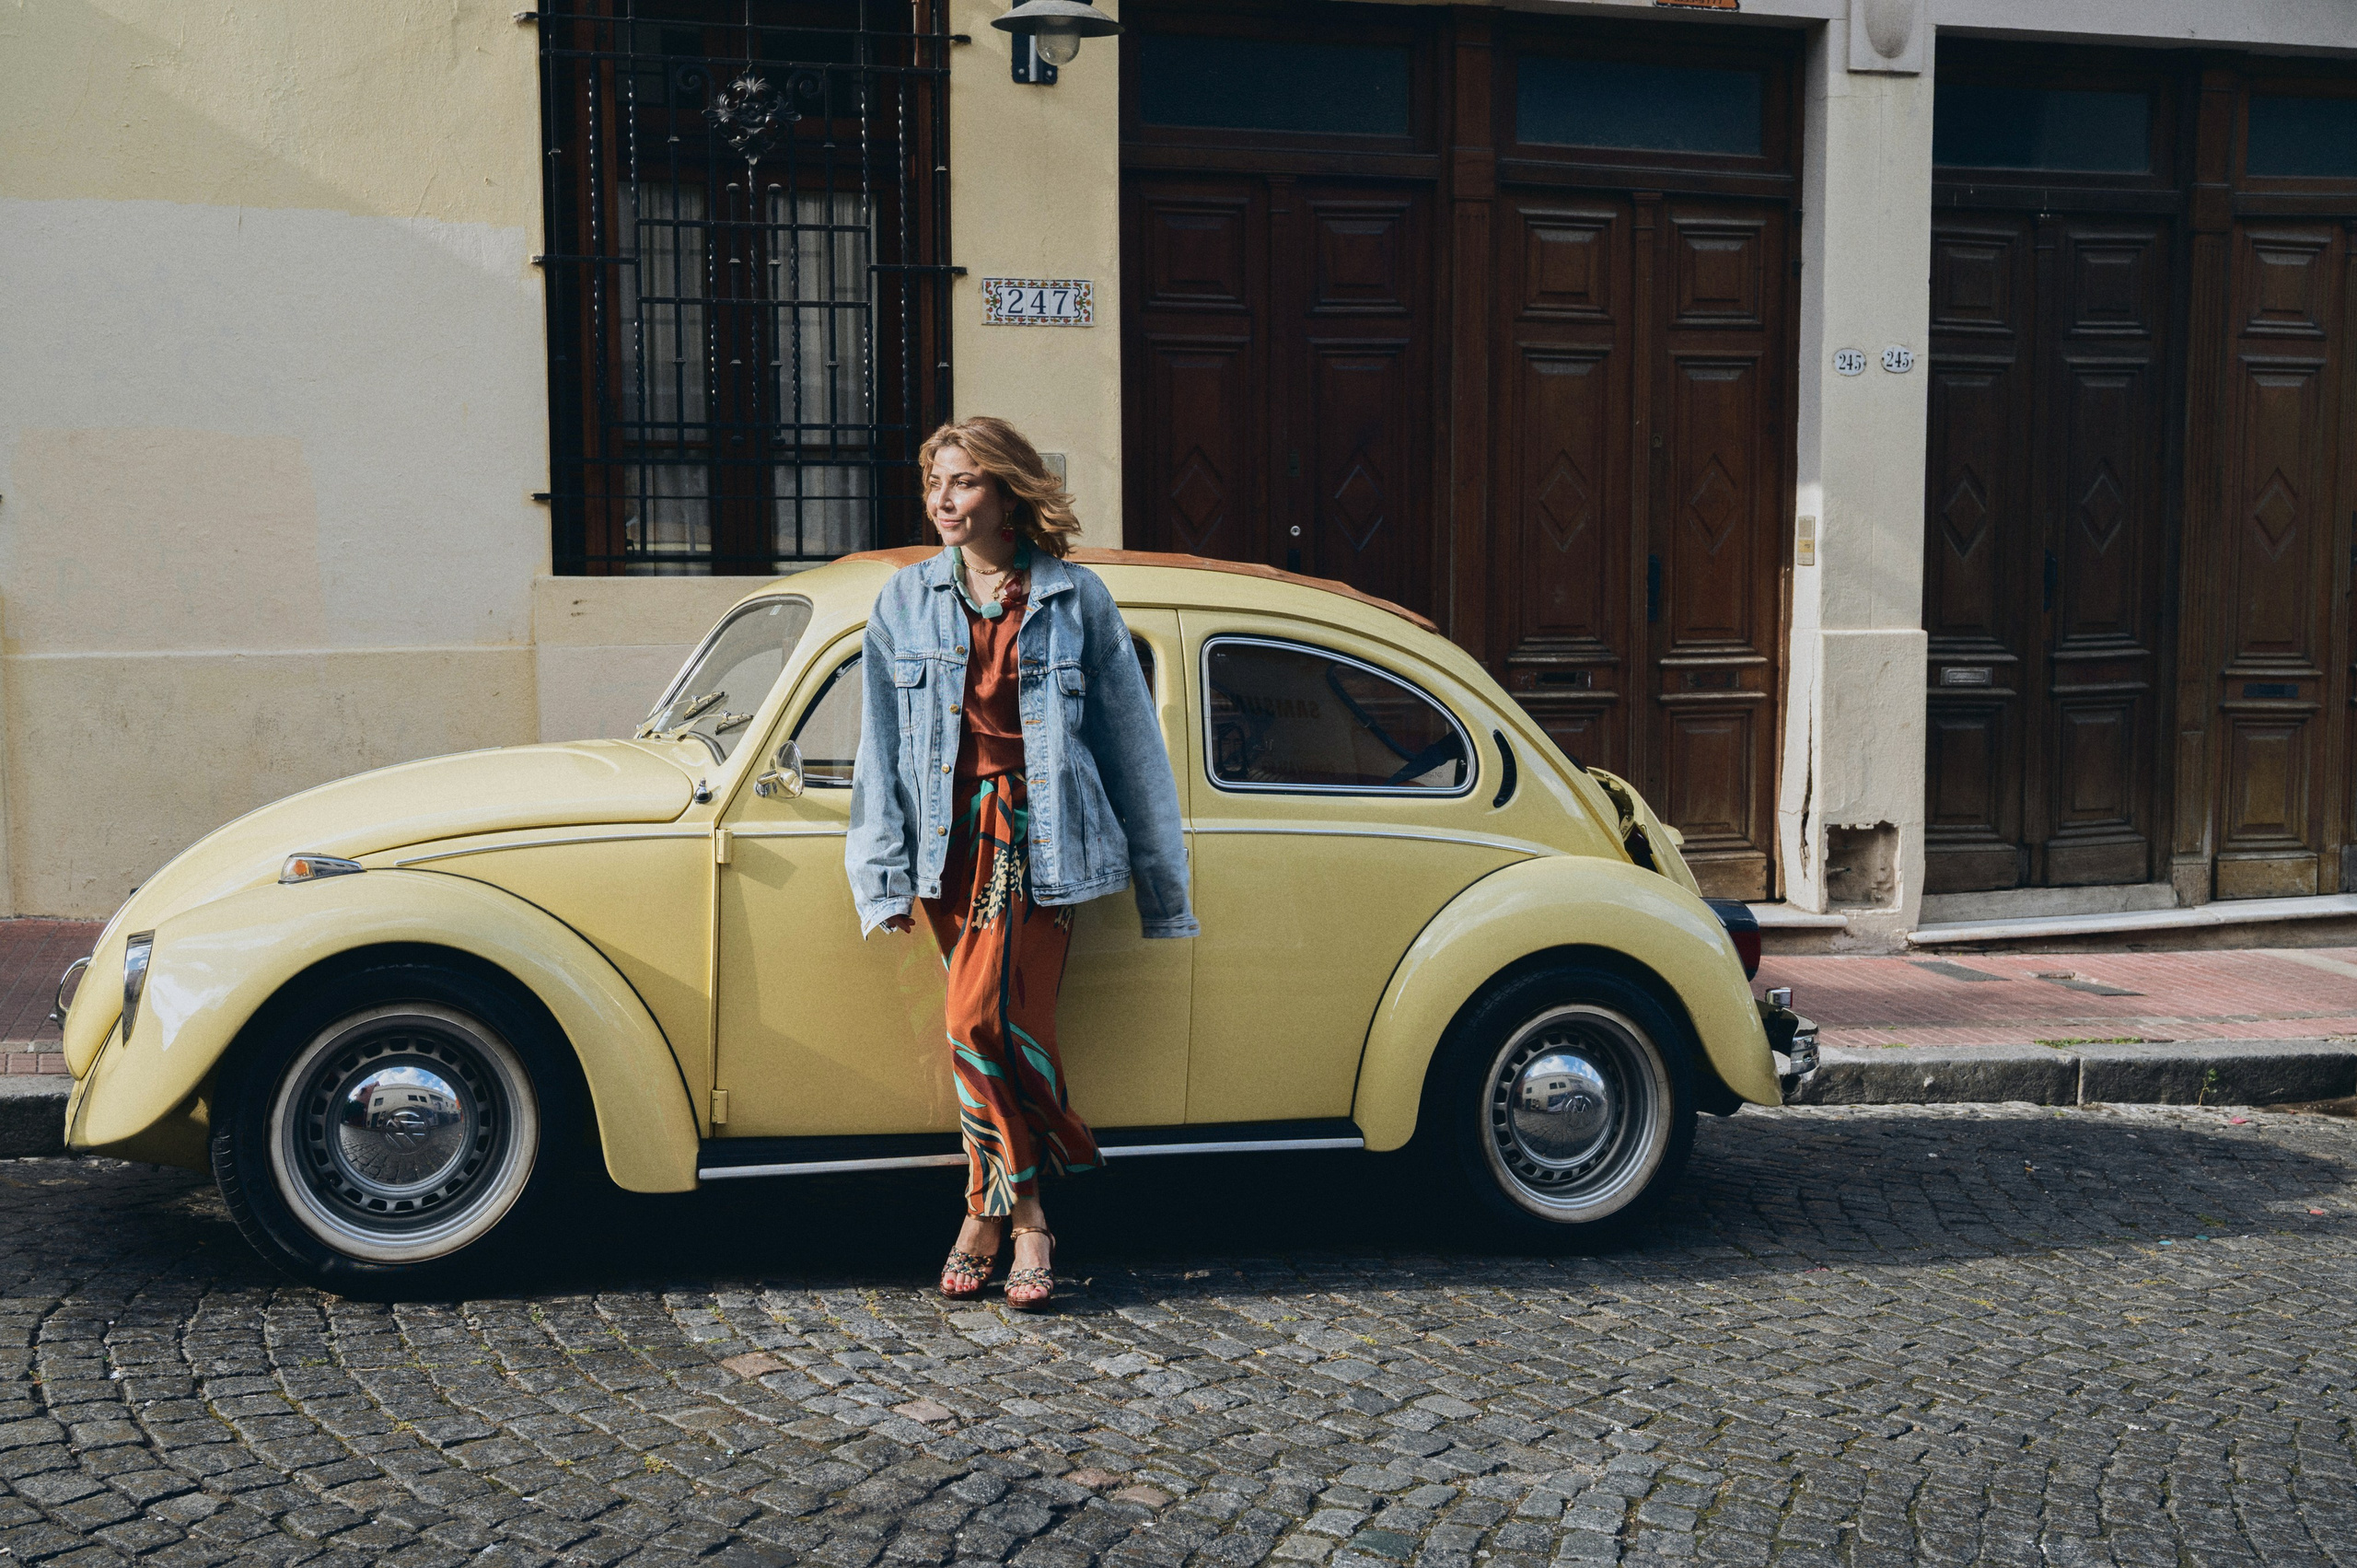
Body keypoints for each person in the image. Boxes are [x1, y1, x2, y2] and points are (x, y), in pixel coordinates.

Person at [845, 417, 1197, 1309]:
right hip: (943, 846)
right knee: (1001, 1038)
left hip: (1040, 839)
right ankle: (1032, 1197)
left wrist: (1164, 889)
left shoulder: (1074, 600)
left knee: (975, 1024)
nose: (943, 500)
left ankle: (1001, 1212)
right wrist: (883, 873)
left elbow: (1131, 749)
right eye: (934, 482)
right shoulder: (902, 602)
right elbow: (878, 751)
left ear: (1006, 492)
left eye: (962, 482)